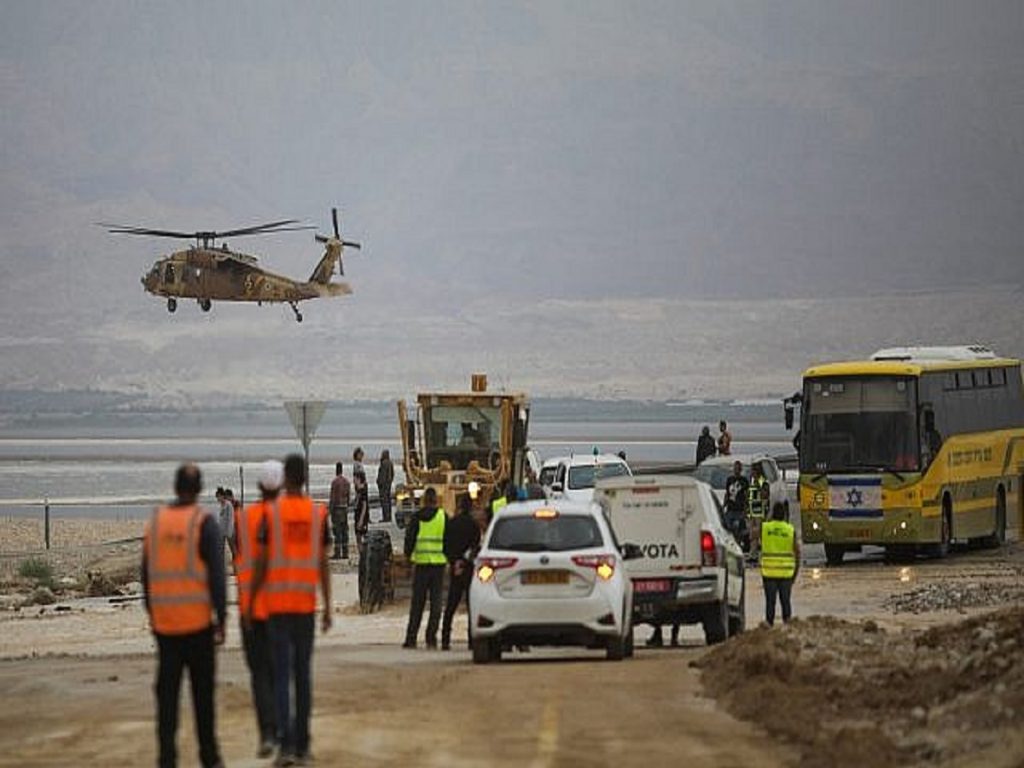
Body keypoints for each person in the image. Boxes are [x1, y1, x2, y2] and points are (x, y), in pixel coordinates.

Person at [142, 463, 226, 768]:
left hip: (166, 629)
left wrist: (153, 614)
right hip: (198, 626)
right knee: (202, 698)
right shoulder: (203, 523)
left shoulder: (156, 523)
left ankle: (167, 757)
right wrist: (222, 619)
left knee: (167, 698)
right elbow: (217, 576)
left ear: (175, 487)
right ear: (200, 489)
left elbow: (146, 575)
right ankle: (209, 757)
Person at [250, 454, 331, 767]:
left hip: (277, 607)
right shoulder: (317, 513)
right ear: (305, 477)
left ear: (286, 479)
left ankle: (285, 745)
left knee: (282, 676)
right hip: (305, 607)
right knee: (303, 676)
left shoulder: (272, 514)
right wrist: (327, 606)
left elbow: (261, 562)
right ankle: (303, 745)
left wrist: (253, 598)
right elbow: (323, 562)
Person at [234, 461, 281, 758]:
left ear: (260, 487)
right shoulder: (288, 517)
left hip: (251, 607)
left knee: (260, 674)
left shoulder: (244, 518)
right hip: (283, 606)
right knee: (281, 672)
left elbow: (238, 555)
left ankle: (267, 733)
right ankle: (283, 730)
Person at [402, 487, 447, 649]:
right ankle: (431, 638)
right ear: (436, 500)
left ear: (424, 500)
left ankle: (411, 638)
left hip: (421, 565)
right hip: (438, 566)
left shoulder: (416, 518)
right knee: (436, 604)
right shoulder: (443, 517)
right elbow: (449, 539)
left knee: (417, 604)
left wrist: (407, 559)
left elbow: (410, 540)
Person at [441, 493, 481, 650]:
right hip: (469, 569)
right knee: (472, 607)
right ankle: (472, 640)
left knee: (450, 607)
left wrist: (454, 562)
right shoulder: (473, 525)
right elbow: (475, 546)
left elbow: (445, 545)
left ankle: (445, 640)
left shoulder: (451, 524)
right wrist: (464, 561)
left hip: (455, 569)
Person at [761, 501, 800, 626]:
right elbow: (798, 553)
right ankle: (787, 628)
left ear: (772, 514)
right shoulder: (790, 530)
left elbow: (752, 536)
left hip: (768, 573)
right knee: (786, 602)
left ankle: (768, 628)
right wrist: (795, 573)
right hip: (786, 573)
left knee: (770, 603)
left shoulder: (765, 528)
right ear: (785, 515)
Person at [723, 461, 750, 550]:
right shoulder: (729, 480)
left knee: (739, 529)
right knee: (729, 529)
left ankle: (738, 546)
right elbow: (727, 493)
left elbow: (746, 496)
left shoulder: (744, 481)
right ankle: (731, 546)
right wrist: (724, 505)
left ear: (740, 470)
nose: (736, 470)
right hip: (730, 509)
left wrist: (746, 510)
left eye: (738, 468)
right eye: (735, 468)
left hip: (739, 509)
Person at [328, 462, 351, 560]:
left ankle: (338, 553)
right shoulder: (347, 482)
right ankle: (345, 552)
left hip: (337, 508)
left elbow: (333, 497)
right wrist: (347, 505)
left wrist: (330, 509)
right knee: (344, 531)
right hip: (344, 508)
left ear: (336, 470)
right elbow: (349, 496)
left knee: (337, 532)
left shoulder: (335, 482)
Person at [747, 464, 770, 563]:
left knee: (760, 535)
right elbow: (750, 497)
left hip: (760, 513)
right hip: (753, 512)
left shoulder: (762, 481)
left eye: (752, 471)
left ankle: (765, 554)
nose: (751, 473)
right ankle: (753, 555)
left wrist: (759, 487)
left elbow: (765, 495)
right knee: (753, 535)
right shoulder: (752, 482)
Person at [352, 447, 370, 546]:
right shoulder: (357, 466)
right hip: (360, 511)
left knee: (361, 534)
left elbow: (364, 504)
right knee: (359, 534)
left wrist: (361, 520)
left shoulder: (362, 492)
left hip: (361, 513)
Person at [215, 487, 236, 558]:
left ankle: (236, 561)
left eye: (218, 497)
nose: (217, 499)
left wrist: (229, 532)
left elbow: (231, 518)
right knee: (221, 549)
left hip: (229, 531)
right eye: (217, 497)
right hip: (222, 531)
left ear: (222, 496)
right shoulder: (221, 505)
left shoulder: (228, 505)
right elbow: (220, 519)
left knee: (232, 548)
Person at [376, 449, 394, 524]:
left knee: (384, 501)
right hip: (388, 484)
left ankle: (385, 517)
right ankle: (388, 516)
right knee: (388, 501)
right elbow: (392, 474)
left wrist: (380, 483)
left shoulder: (384, 463)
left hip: (383, 486)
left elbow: (382, 475)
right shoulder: (390, 463)